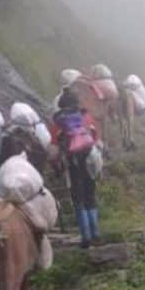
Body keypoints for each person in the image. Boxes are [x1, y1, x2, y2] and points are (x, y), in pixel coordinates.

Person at [51, 88, 101, 248]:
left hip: (73, 162)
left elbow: (54, 148)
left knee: (78, 198)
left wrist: (57, 167)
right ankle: (96, 232)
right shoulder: (86, 116)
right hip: (90, 158)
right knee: (90, 195)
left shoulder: (58, 122)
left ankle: (85, 236)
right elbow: (96, 137)